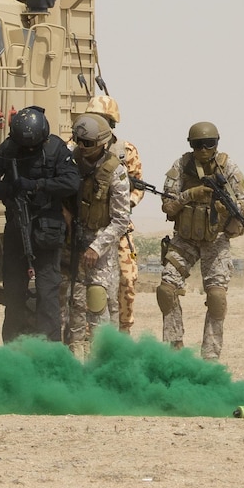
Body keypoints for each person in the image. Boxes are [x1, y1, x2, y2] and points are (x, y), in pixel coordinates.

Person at [0, 106, 80, 343]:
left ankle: (50, 350)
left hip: (48, 228)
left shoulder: (56, 148)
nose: (29, 150)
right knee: (14, 292)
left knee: (47, 293)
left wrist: (38, 185)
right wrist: (9, 189)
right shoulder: (10, 147)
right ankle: (14, 347)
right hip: (17, 227)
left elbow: (71, 181)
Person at [158, 121, 244, 360]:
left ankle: (210, 356)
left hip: (215, 240)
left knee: (217, 297)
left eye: (209, 144)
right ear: (191, 145)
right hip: (185, 239)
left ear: (217, 144)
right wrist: (190, 195)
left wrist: (226, 208)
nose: (204, 149)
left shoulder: (228, 167)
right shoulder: (181, 166)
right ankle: (174, 348)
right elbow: (168, 207)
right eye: (198, 145)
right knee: (167, 290)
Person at [65, 114, 133, 358]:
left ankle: (101, 361)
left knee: (97, 302)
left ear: (102, 143)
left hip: (100, 244)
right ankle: (75, 359)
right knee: (74, 303)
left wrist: (96, 247)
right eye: (79, 142)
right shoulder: (69, 162)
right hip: (71, 241)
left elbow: (120, 220)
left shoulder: (116, 172)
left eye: (88, 144)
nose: (82, 148)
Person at [87, 94, 145, 334]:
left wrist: (125, 202)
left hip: (118, 228)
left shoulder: (126, 150)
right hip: (88, 226)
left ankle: (123, 332)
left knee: (127, 280)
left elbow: (139, 186)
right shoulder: (78, 146)